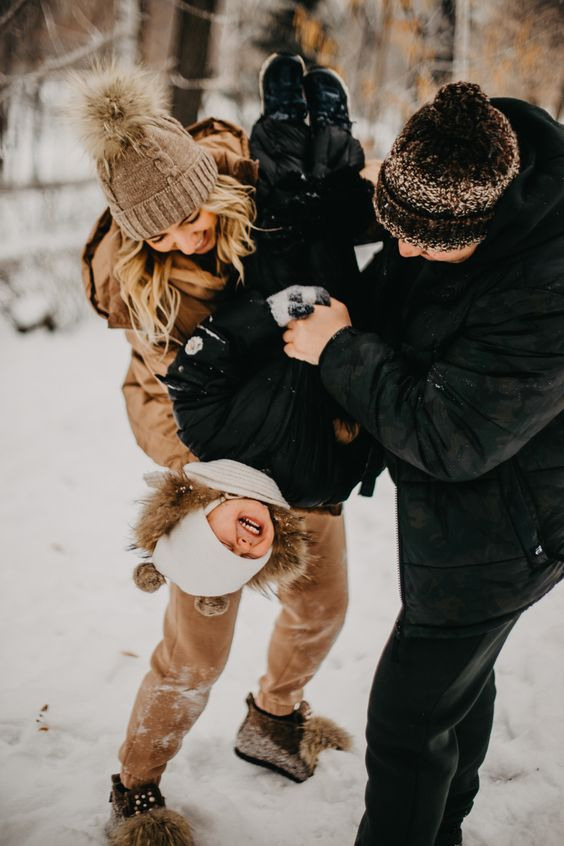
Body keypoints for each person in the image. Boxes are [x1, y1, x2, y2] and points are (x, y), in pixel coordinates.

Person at [75, 58, 372, 845]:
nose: (187, 231)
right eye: (164, 227)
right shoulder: (146, 290)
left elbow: (333, 213)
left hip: (306, 444)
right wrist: (212, 487)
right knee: (196, 652)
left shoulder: (256, 192)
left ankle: (274, 718)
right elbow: (167, 400)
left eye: (191, 208)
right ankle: (136, 787)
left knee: (322, 606)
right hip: (216, 466)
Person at [282, 81, 564, 846]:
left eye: (428, 243)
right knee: (456, 694)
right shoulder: (458, 176)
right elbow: (401, 278)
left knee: (406, 724)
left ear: (491, 218)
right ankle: (444, 828)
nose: (404, 252)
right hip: (467, 518)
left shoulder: (547, 287)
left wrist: (338, 351)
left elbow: (452, 435)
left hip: (505, 531)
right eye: (396, 229)